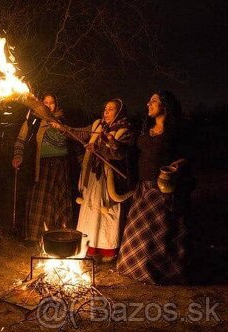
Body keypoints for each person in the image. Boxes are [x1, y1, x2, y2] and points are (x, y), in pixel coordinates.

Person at [117, 90, 193, 284]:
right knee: (139, 232)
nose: (148, 104)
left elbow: (188, 154)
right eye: (149, 101)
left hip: (164, 188)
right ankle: (135, 268)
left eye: (153, 101)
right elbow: (129, 153)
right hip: (144, 187)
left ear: (165, 106)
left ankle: (164, 272)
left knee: (162, 233)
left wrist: (179, 165)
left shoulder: (176, 131)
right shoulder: (145, 131)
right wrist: (111, 144)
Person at [55, 99, 134, 262]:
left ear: (119, 112)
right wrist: (62, 128)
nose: (106, 112)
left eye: (111, 109)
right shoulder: (98, 125)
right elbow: (79, 133)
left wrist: (102, 147)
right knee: (90, 211)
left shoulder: (125, 131)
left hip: (109, 179)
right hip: (93, 177)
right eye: (105, 109)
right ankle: (88, 248)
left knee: (106, 213)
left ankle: (106, 252)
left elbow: (120, 155)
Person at [12, 93, 73, 244]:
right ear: (40, 104)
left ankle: (60, 237)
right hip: (41, 166)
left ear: (56, 105)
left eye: (51, 103)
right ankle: (35, 237)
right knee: (40, 202)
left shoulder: (61, 119)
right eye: (45, 102)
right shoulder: (32, 120)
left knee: (60, 201)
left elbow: (68, 139)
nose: (48, 105)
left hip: (60, 165)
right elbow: (20, 140)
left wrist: (60, 128)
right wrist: (18, 156)